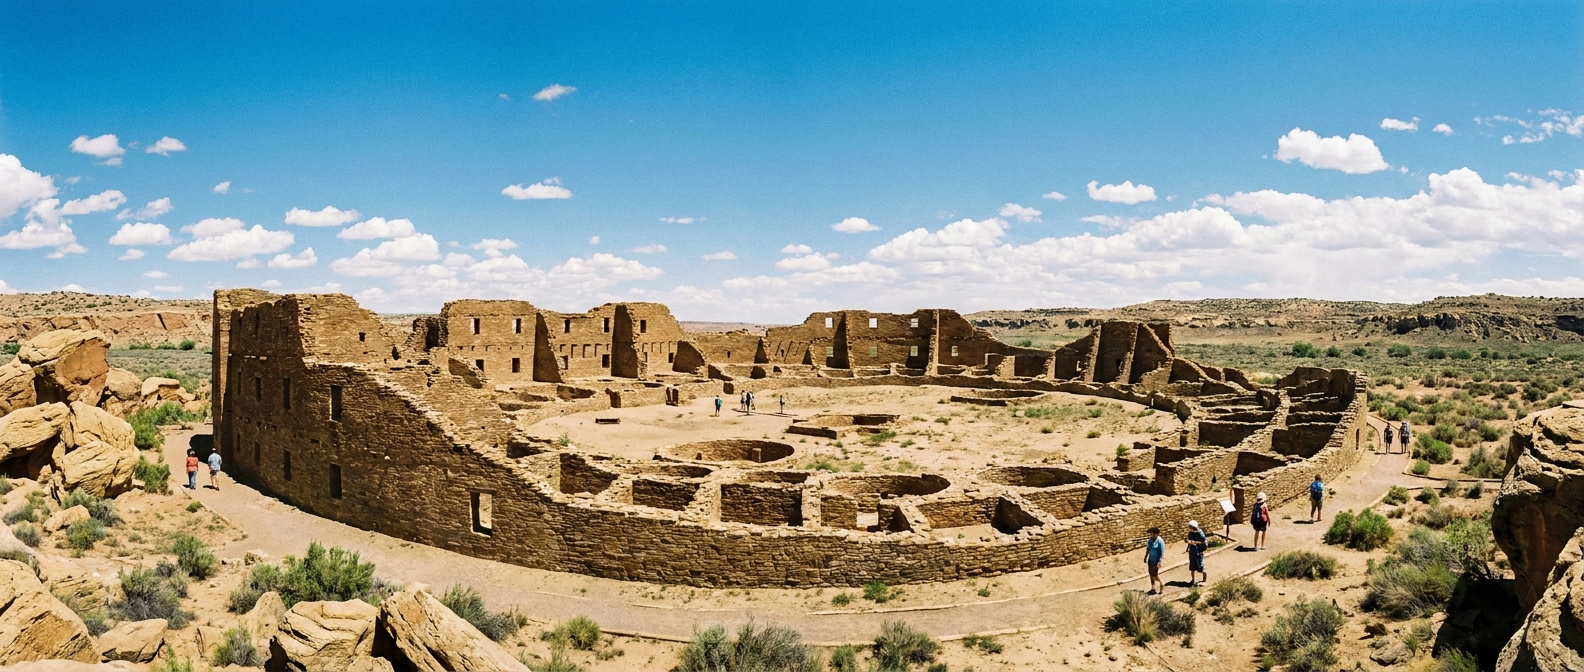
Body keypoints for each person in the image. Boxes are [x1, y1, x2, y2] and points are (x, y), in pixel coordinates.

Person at [1186, 520, 1208, 586]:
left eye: (1190, 527)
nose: (1189, 528)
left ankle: (1204, 579)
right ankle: (1193, 580)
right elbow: (1189, 539)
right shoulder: (1190, 533)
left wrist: (1194, 542)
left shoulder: (1200, 534)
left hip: (1199, 554)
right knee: (1192, 568)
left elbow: (1204, 543)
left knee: (1200, 568)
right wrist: (1188, 542)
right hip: (1192, 553)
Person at [1144, 527, 1165, 595]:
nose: (1150, 534)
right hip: (1150, 560)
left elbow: (1161, 553)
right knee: (1150, 574)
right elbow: (1148, 549)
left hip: (1156, 561)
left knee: (1154, 575)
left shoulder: (1160, 541)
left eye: (1152, 533)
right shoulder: (1150, 540)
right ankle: (1153, 588)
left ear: (1156, 534)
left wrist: (1159, 562)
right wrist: (1145, 557)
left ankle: (1161, 583)